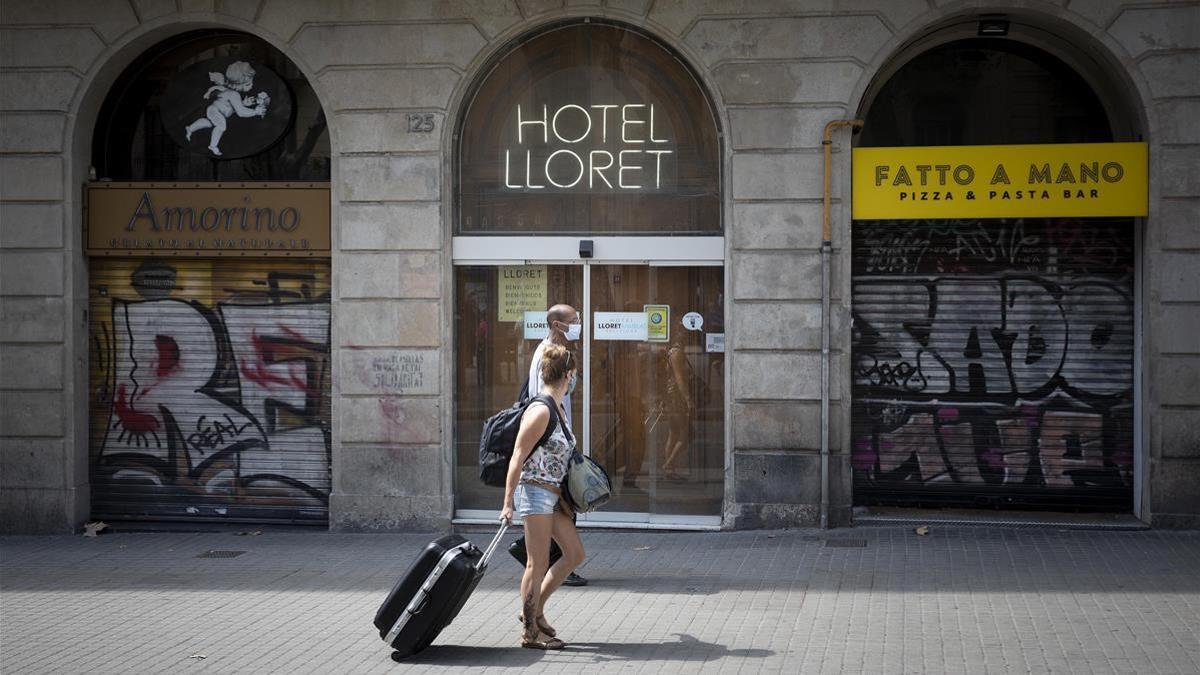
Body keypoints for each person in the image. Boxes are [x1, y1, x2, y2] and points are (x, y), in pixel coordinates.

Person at [500, 344, 585, 650]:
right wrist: (508, 503)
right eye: (575, 375)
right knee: (536, 564)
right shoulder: (541, 410)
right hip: (535, 493)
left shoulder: (559, 408)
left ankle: (534, 613)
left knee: (574, 554)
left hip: (554, 495)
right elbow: (517, 457)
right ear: (569, 374)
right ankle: (530, 633)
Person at [509, 304, 588, 587]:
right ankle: (547, 570)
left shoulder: (559, 353)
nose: (579, 324)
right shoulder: (545, 355)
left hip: (558, 448)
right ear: (558, 325)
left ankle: (553, 565)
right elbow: (539, 400)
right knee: (553, 522)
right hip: (547, 459)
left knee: (562, 515)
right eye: (574, 320)